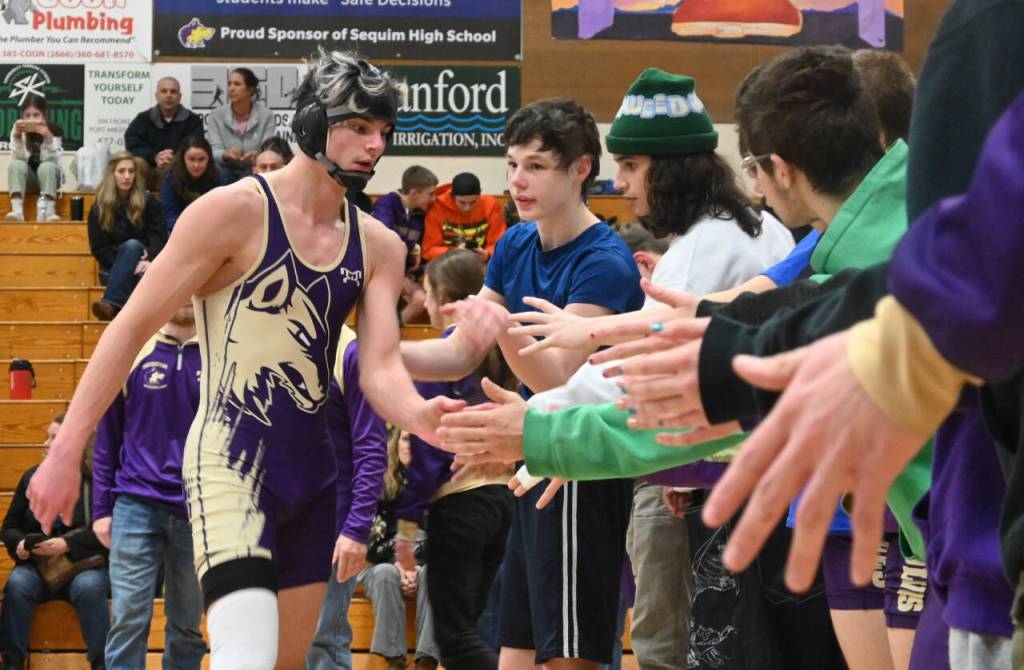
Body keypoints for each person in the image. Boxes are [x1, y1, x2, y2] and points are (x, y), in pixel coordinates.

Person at [26, 49, 497, 670]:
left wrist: (419, 415)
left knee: (281, 664)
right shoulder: (232, 212)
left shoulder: (378, 244)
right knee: (243, 658)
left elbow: (379, 367)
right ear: (309, 119)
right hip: (230, 461)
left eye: (383, 131)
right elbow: (131, 325)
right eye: (357, 126)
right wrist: (65, 451)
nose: (373, 145)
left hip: (313, 475)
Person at [401, 97, 644, 670]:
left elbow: (556, 375)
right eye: (512, 165)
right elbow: (463, 351)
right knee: (517, 646)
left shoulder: (605, 260)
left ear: (581, 169)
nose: (517, 181)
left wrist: (502, 327)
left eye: (535, 166)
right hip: (533, 455)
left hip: (583, 457)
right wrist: (375, 355)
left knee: (569, 652)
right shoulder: (514, 243)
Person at [396, 249, 514, 670]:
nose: (424, 303)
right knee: (469, 632)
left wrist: (407, 526)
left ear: (441, 295)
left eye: (426, 292)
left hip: (460, 501)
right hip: (502, 501)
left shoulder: (445, 352)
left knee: (457, 640)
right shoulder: (502, 350)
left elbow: (431, 445)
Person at [91, 305, 205, 669]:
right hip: (135, 504)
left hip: (200, 510)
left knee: (187, 626)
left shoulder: (222, 350)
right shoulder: (133, 348)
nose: (185, 296)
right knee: (127, 620)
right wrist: (101, 510)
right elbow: (106, 436)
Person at [306, 325, 389, 670]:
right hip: (272, 524)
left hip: (330, 527)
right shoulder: (269, 338)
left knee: (322, 642)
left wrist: (356, 530)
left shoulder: (351, 350)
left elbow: (372, 450)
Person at [0, 415, 110, 670]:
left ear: (73, 443)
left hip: (83, 565)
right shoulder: (30, 478)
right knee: (17, 584)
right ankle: (13, 662)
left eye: (53, 438)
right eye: (46, 436)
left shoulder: (96, 480)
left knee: (90, 588)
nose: (45, 443)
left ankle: (102, 663)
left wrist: (66, 545)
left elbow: (107, 530)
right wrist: (21, 545)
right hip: (37, 566)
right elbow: (9, 527)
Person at [351, 429, 440, 670]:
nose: (411, 445)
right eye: (405, 439)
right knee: (384, 573)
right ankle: (395, 661)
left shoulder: (441, 485)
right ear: (395, 443)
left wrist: (416, 565)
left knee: (434, 573)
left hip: (425, 566)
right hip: (379, 565)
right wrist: (399, 563)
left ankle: (426, 661)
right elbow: (368, 543)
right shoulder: (378, 483)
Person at [87, 151, 167, 321]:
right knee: (132, 246)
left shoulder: (149, 202)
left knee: (138, 259)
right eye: (121, 171)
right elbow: (99, 249)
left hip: (145, 266)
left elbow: (159, 238)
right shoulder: (99, 208)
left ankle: (111, 304)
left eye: (131, 171)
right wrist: (127, 260)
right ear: (112, 175)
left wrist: (149, 259)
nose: (127, 176)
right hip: (112, 269)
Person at [372, 165, 440, 324]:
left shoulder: (422, 214)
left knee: (421, 300)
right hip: (381, 273)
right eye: (430, 194)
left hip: (407, 275)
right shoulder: (387, 203)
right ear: (413, 193)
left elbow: (421, 255)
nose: (434, 199)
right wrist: (412, 247)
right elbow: (385, 234)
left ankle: (394, 332)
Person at [124, 76, 204, 189]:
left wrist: (173, 159)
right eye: (164, 91)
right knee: (136, 162)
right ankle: (138, 203)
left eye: (173, 91)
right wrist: (155, 157)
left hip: (178, 169)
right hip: (149, 168)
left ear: (179, 96)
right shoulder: (143, 119)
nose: (168, 95)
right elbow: (132, 144)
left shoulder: (192, 121)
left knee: (173, 168)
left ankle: (168, 204)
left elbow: (195, 148)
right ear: (157, 96)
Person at [205, 67, 275, 182]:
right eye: (229, 84)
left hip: (253, 167)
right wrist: (225, 154)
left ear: (250, 89)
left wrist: (257, 154)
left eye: (237, 84)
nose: (231, 88)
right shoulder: (216, 115)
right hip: (224, 168)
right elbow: (213, 150)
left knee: (251, 179)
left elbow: (268, 149)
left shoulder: (266, 116)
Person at [421, 172, 506, 262]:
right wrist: (454, 254)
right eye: (462, 202)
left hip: (481, 262)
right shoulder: (437, 207)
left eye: (473, 202)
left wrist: (487, 254)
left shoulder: (491, 205)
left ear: (480, 195)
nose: (467, 208)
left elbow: (499, 243)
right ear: (452, 197)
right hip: (446, 263)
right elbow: (429, 249)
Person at [4, 94, 63, 223]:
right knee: (16, 165)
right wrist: (18, 138)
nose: (31, 119)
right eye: (27, 115)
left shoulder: (54, 130)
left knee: (46, 167)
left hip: (50, 179)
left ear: (44, 116)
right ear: (22, 116)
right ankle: (17, 212)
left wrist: (48, 139)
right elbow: (18, 161)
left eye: (36, 115)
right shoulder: (18, 129)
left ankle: (49, 213)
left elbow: (53, 163)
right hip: (28, 180)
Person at [160, 135, 225, 232]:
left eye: (201, 159)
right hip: (180, 231)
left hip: (213, 230)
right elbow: (170, 215)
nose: (196, 165)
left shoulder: (221, 177)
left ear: (209, 159)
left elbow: (224, 212)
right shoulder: (170, 179)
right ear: (183, 158)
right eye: (191, 159)